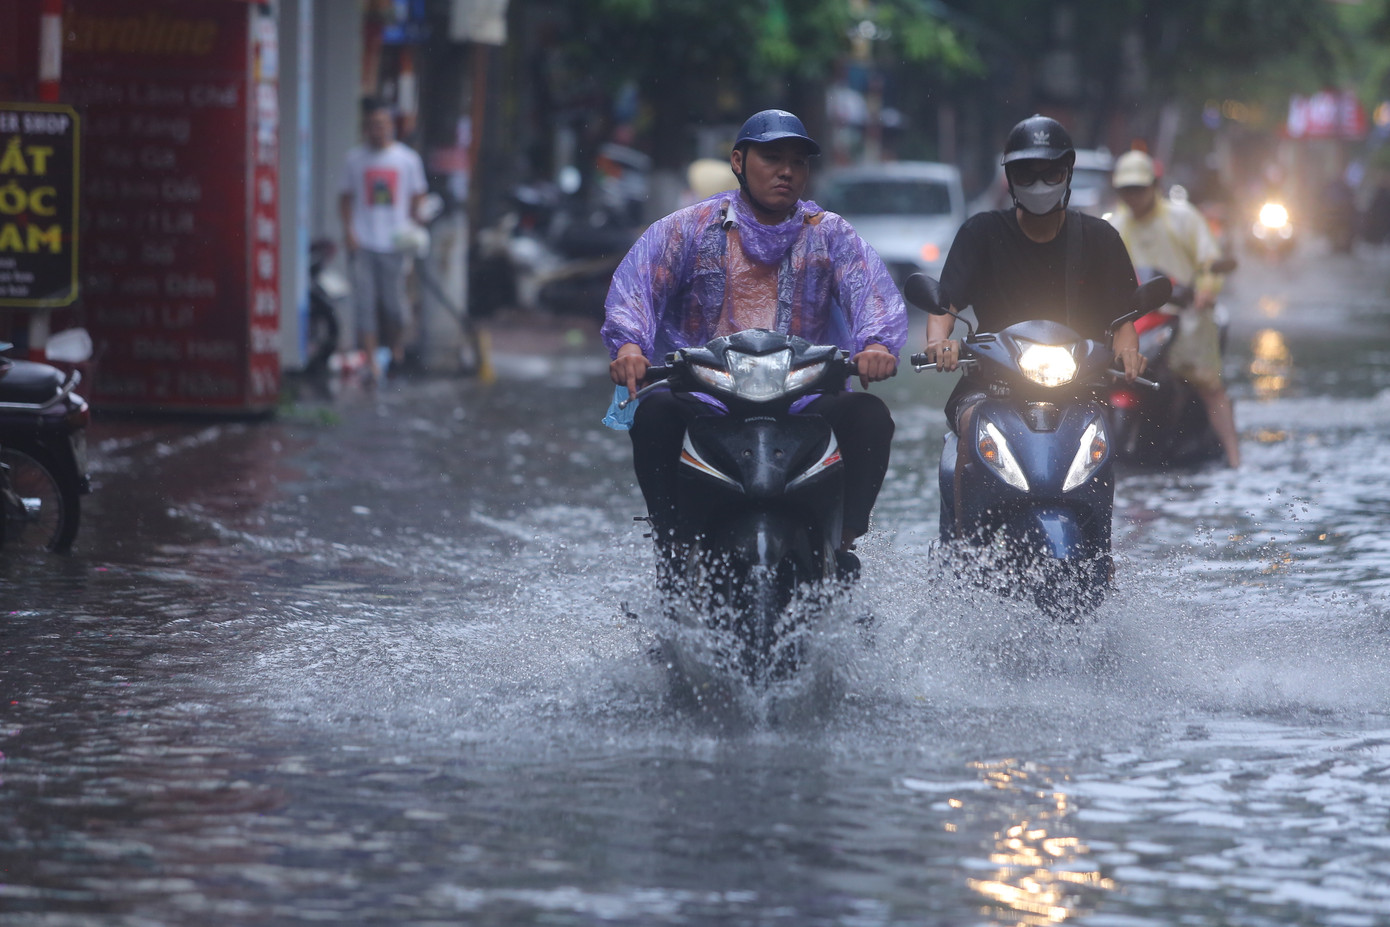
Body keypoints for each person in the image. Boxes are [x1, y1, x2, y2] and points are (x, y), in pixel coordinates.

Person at [602, 109, 906, 577]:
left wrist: (878, 346)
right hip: (707, 398)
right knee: (654, 415)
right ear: (739, 162)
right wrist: (629, 347)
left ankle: (843, 541)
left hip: (802, 400)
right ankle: (673, 545)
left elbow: (871, 295)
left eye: (798, 162)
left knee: (871, 417)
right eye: (772, 158)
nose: (787, 171)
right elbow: (637, 290)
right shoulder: (688, 228)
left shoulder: (830, 233)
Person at [924, 115, 1146, 515]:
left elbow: (1124, 320)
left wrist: (1128, 352)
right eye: (1026, 173)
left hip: (1080, 385)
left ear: (1068, 173)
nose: (1039, 183)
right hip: (991, 384)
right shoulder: (981, 233)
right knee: (971, 420)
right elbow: (945, 306)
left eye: (1050, 172)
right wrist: (939, 343)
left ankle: (1100, 550)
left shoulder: (1100, 239)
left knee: (1100, 435)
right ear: (1010, 179)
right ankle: (964, 548)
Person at [1108, 149, 1240, 468]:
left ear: (1154, 185)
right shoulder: (1113, 224)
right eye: (1126, 190)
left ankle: (1236, 459)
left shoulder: (1183, 218)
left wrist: (1206, 290)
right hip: (1135, 319)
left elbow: (1209, 259)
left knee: (1209, 384)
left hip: (1184, 315)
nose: (1133, 196)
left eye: (1138, 188)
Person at [338, 98, 428, 381]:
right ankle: (373, 362)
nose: (378, 129)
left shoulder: (407, 160)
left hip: (395, 243)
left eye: (383, 124)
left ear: (392, 126)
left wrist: (414, 227)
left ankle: (394, 347)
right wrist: (349, 232)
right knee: (364, 304)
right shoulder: (354, 159)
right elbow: (345, 198)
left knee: (394, 306)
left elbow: (418, 197)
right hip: (364, 242)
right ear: (366, 128)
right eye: (373, 124)